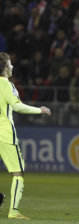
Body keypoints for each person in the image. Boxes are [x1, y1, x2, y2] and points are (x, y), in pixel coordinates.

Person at [0, 52, 51, 219]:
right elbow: (17, 106)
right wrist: (40, 110)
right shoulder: (7, 85)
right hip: (5, 134)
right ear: (5, 68)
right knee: (18, 172)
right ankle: (14, 211)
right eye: (10, 64)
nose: (13, 66)